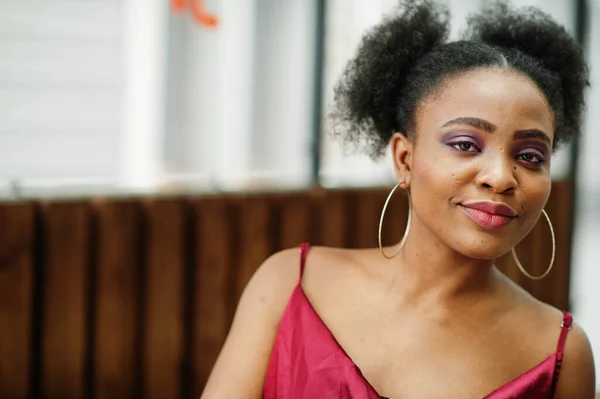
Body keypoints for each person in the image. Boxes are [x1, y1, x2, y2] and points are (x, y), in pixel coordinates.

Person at [201, 0, 595, 397]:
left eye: (529, 156)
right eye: (465, 144)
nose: (500, 177)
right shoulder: (289, 283)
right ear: (404, 158)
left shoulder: (561, 355)